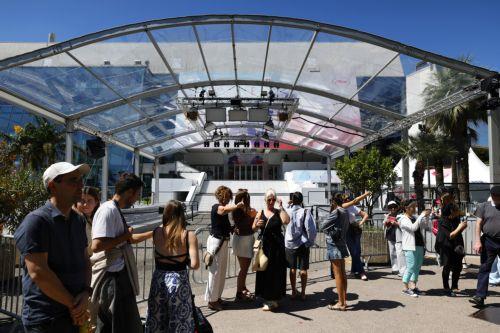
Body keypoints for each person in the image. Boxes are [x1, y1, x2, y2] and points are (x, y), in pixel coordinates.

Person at [14, 162, 92, 332]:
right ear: (52, 186)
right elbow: (39, 272)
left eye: (80, 180)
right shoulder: (37, 221)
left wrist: (86, 292)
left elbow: (85, 260)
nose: (80, 185)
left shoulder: (78, 220)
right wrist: (75, 305)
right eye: (73, 180)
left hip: (74, 317)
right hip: (47, 320)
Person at [90, 173, 153, 333]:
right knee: (111, 323)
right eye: (138, 194)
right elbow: (97, 245)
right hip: (111, 277)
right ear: (130, 192)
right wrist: (124, 236)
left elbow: (126, 240)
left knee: (121, 322)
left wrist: (152, 233)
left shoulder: (114, 209)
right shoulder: (108, 210)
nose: (137, 199)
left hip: (118, 276)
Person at [145, 200, 200, 332]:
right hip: (178, 281)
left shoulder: (157, 232)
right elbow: (195, 264)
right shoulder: (188, 235)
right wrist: (184, 259)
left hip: (159, 280)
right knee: (180, 320)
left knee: (157, 319)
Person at [205, 186, 244, 311]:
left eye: (229, 197)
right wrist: (238, 206)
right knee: (215, 272)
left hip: (222, 242)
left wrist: (232, 229)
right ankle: (212, 301)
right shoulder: (216, 207)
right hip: (216, 242)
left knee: (220, 272)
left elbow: (224, 223)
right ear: (221, 196)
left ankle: (217, 297)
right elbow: (224, 210)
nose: (228, 199)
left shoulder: (223, 209)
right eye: (227, 196)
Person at [253, 188, 290, 311]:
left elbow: (286, 221)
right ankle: (267, 298)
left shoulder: (279, 211)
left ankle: (274, 298)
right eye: (269, 199)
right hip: (265, 247)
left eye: (273, 199)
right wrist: (257, 225)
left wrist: (281, 207)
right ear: (265, 199)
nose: (271, 201)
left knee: (276, 272)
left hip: (277, 247)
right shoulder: (261, 212)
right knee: (265, 271)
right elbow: (253, 227)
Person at [470, 185, 500, 307]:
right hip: (489, 241)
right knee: (484, 268)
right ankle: (480, 296)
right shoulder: (483, 206)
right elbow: (478, 224)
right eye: (497, 197)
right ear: (493, 196)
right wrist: (477, 241)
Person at [320, 193, 351, 311]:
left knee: (338, 274)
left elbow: (323, 225)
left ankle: (341, 303)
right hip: (342, 243)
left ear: (333, 202)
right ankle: (343, 300)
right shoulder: (345, 212)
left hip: (334, 244)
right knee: (343, 273)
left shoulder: (336, 212)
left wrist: (330, 230)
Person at [285, 192, 317, 301]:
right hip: (302, 243)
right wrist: (310, 241)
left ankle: (293, 291)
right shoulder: (305, 212)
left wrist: (289, 204)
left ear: (292, 201)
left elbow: (284, 216)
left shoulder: (287, 211)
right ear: (302, 201)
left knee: (292, 269)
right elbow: (311, 229)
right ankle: (303, 293)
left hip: (289, 243)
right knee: (303, 269)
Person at [435, 198, 467, 296]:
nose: (457, 213)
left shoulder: (456, 219)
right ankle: (446, 286)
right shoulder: (442, 221)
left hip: (456, 245)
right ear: (450, 212)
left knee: (458, 266)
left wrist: (461, 226)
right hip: (445, 246)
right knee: (447, 266)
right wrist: (460, 227)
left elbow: (462, 213)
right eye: (455, 211)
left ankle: (454, 286)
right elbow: (450, 235)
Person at [400, 199, 431, 297]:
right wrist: (421, 215)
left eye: (415, 206)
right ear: (406, 208)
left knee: (417, 267)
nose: (414, 208)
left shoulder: (414, 217)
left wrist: (426, 216)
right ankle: (405, 288)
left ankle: (413, 286)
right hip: (409, 246)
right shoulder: (403, 219)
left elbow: (424, 225)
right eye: (412, 206)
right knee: (410, 267)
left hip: (419, 245)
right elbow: (413, 228)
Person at [230, 189, 257, 301]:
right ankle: (239, 292)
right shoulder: (238, 210)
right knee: (244, 268)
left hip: (245, 239)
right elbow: (251, 216)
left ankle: (243, 288)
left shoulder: (240, 210)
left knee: (244, 268)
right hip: (243, 240)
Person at [343, 191, 370, 280]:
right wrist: (366, 195)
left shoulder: (352, 207)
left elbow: (365, 215)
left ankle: (353, 271)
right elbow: (355, 200)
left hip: (355, 229)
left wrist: (360, 223)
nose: (347, 199)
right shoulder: (341, 207)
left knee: (357, 251)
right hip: (346, 231)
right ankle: (361, 271)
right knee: (354, 251)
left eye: (347, 198)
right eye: (345, 198)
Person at [76, 186, 101, 256]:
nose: (85, 204)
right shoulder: (74, 219)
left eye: (89, 201)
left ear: (96, 202)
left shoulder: (101, 218)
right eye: (82, 200)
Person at [383, 201, 406, 276]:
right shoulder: (387, 215)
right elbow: (384, 225)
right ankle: (395, 268)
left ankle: (402, 270)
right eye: (390, 207)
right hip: (390, 235)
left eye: (394, 207)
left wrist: (396, 223)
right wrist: (386, 222)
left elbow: (404, 225)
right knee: (392, 253)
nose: (392, 209)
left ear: (397, 207)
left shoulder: (401, 215)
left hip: (399, 236)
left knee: (400, 253)